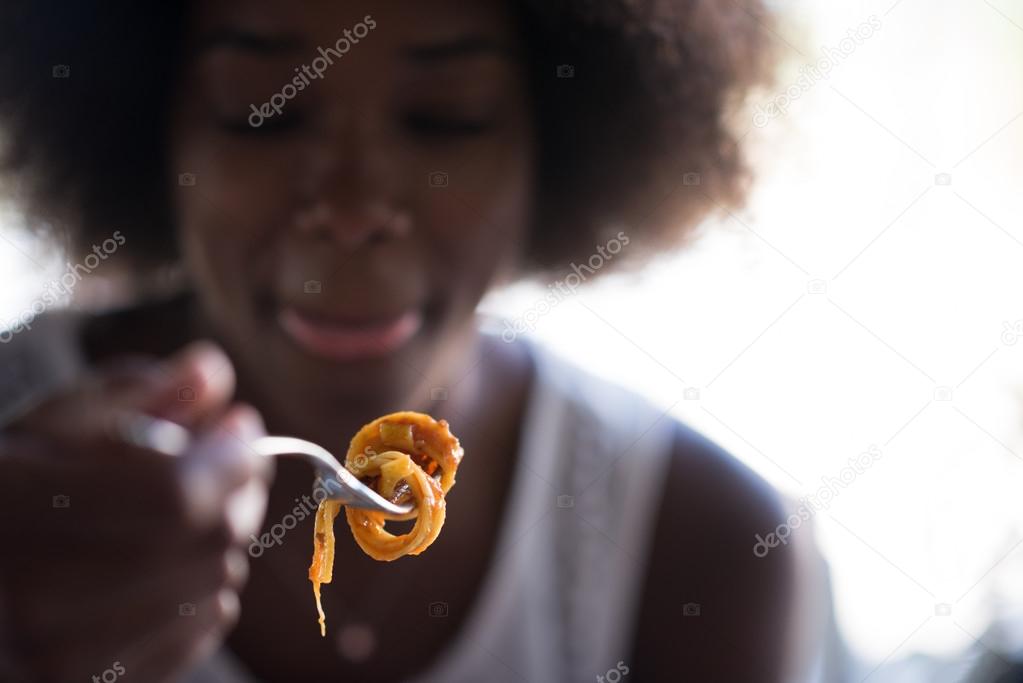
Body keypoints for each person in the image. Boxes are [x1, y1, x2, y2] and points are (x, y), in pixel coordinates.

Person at [0, 1, 820, 680]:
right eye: (265, 111)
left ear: (554, 140)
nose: (353, 207)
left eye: (444, 118)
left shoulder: (701, 543)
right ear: (153, 122)